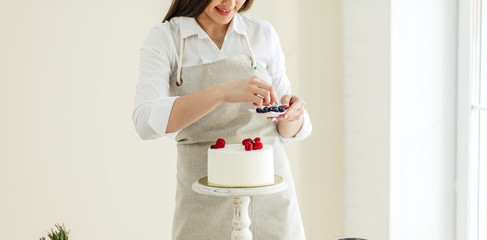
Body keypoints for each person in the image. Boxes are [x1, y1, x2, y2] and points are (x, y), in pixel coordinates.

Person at [132, 0, 312, 239]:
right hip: (202, 196)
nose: (230, 3)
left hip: (270, 195)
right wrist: (221, 92)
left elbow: (285, 130)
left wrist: (292, 113)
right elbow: (144, 122)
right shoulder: (167, 38)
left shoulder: (262, 33)